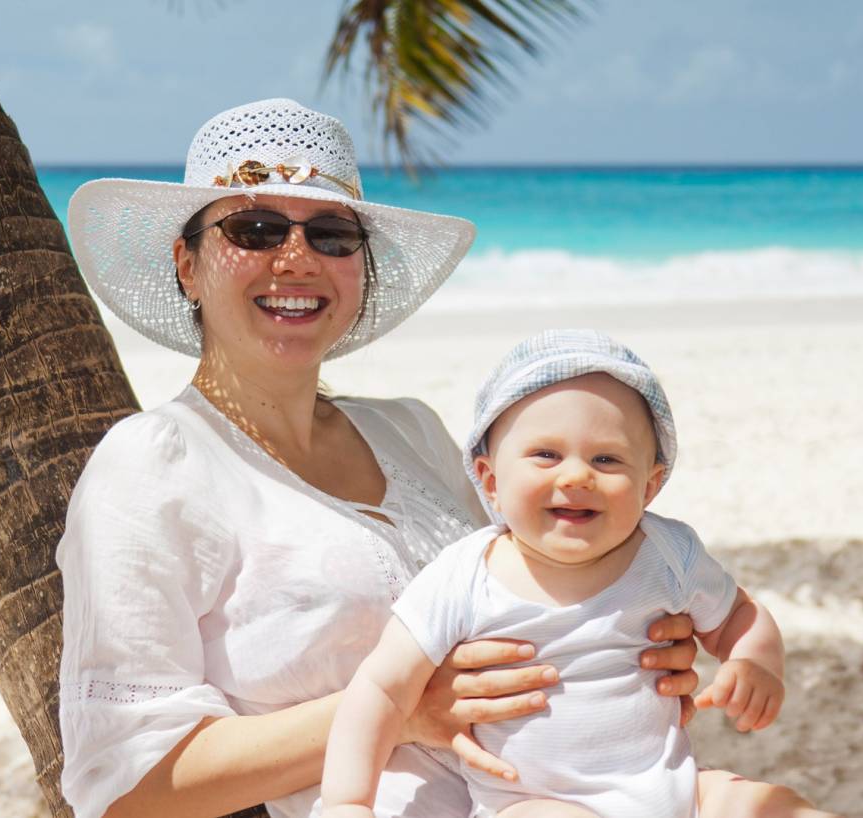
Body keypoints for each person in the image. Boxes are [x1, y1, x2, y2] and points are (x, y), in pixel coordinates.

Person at [56, 98, 863, 818]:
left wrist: (648, 637)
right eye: (254, 229)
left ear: (359, 265)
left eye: (332, 233)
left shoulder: (415, 431)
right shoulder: (153, 467)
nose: (295, 257)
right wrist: (402, 709)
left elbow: (538, 584)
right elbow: (128, 786)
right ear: (188, 263)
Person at [320, 331, 794, 818]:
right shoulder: (465, 576)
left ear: (649, 485)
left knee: (778, 805)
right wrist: (348, 801)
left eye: (606, 459)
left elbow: (740, 614)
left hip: (676, 791)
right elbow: (380, 688)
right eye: (546, 455)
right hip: (533, 804)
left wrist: (754, 661)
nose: (576, 477)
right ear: (490, 480)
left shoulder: (669, 553)